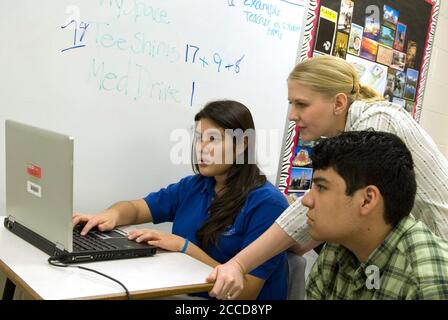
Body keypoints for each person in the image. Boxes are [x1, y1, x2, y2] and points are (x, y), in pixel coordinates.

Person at [207, 55, 448, 300]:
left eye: (301, 104)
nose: (292, 115)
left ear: (339, 103)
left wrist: (239, 264)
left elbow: (300, 221)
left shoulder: (377, 123)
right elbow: (302, 240)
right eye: (291, 103)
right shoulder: (349, 135)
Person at [73, 100, 289, 300]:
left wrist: (184, 247)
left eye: (212, 139)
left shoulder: (267, 203)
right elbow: (138, 209)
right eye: (198, 139)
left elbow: (247, 292)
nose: (201, 148)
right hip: (185, 292)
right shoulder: (196, 185)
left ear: (242, 145)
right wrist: (111, 215)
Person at [304, 130, 448, 299]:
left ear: (367, 200)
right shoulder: (338, 246)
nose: (306, 200)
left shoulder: (428, 282)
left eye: (321, 187)